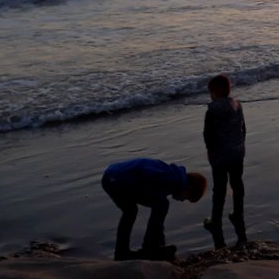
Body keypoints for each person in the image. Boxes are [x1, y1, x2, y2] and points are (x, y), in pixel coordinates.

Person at [101, 158, 206, 261]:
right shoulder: (172, 180)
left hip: (114, 175)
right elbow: (147, 172)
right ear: (189, 188)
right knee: (141, 209)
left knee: (146, 208)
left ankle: (145, 246)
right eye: (187, 198)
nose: (182, 200)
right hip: (115, 180)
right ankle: (140, 248)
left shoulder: (174, 176)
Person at [203, 74, 247, 249]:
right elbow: (243, 128)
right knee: (237, 183)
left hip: (220, 156)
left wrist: (210, 151)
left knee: (219, 188)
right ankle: (238, 213)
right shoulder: (237, 105)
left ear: (213, 93)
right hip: (237, 152)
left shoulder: (212, 110)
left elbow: (208, 135)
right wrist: (241, 144)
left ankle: (216, 220)